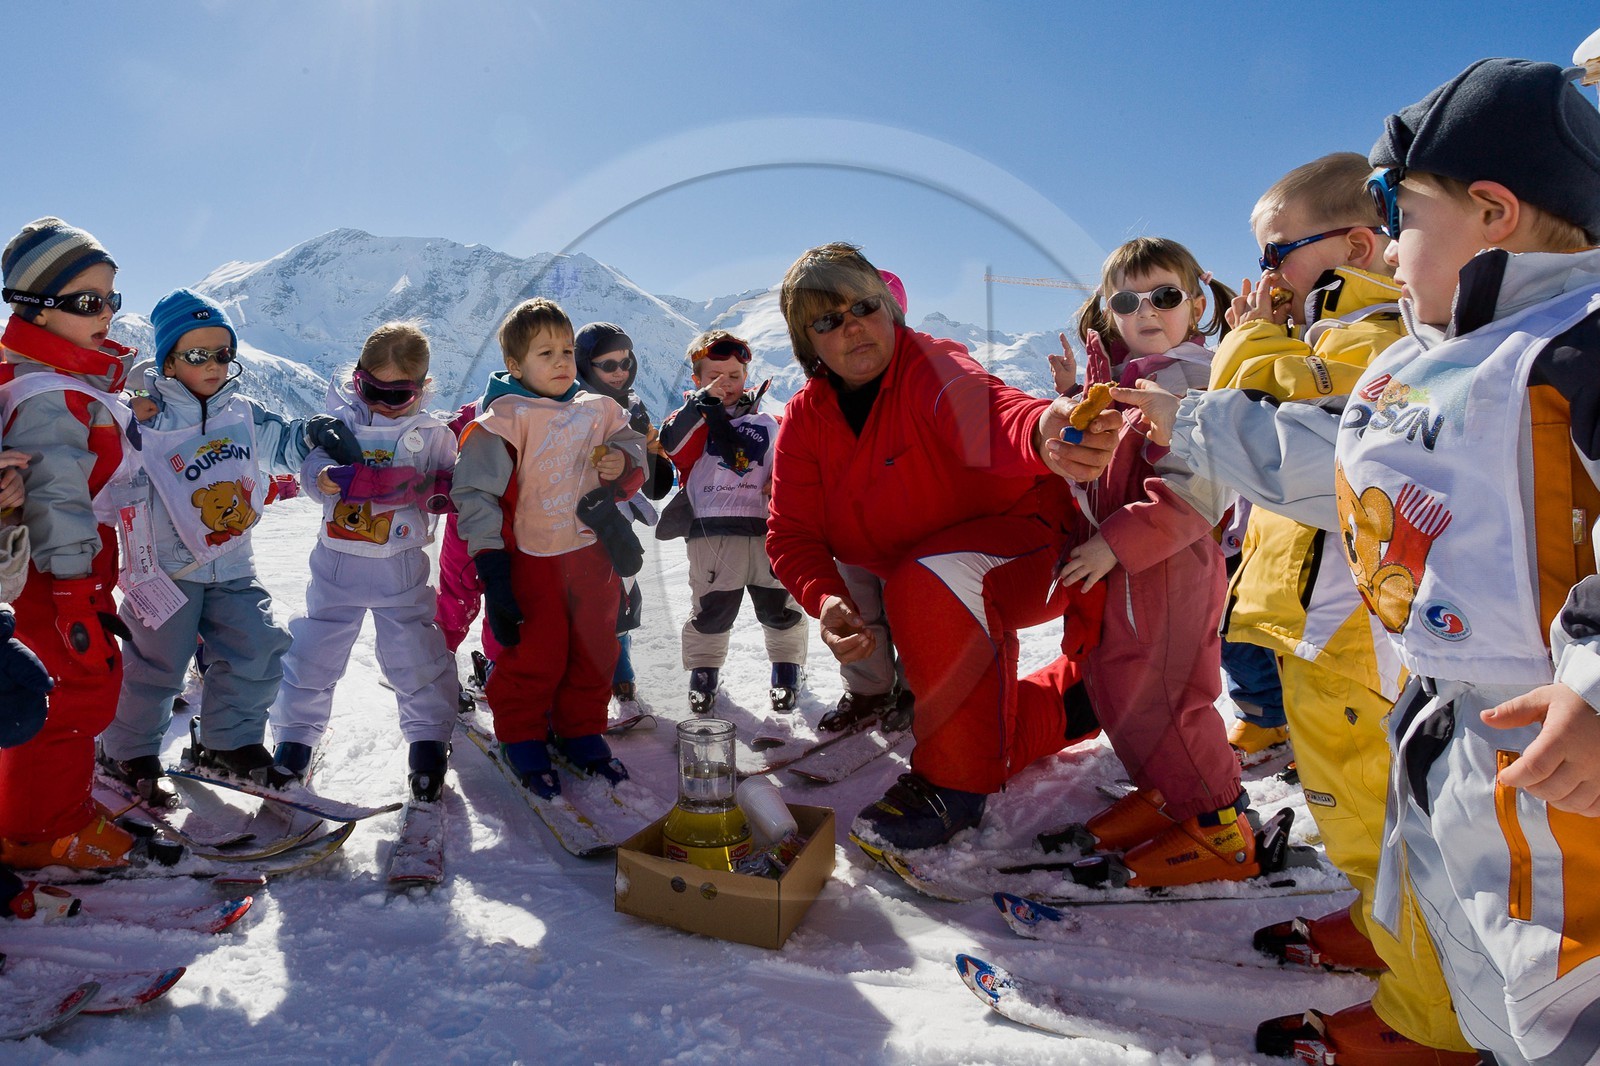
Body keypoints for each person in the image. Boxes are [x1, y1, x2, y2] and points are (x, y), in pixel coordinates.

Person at [1118, 59, 1600, 1065]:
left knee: (1568, 984)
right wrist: (1181, 418)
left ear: (1494, 212)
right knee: (1479, 963)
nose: (1381, 240)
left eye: (1396, 208)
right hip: (1440, 727)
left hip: (1555, 747)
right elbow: (1321, 458)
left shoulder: (1571, 347)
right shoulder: (1419, 364)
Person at [1200, 152, 1475, 1062]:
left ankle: (1431, 1024)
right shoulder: (1323, 328)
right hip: (1315, 631)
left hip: (1355, 636)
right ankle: (1379, 926)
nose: (1264, 279)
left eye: (1279, 254)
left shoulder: (1372, 328)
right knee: (1352, 813)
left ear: (1358, 244)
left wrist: (1247, 340)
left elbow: (1288, 427)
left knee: (1385, 824)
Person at [767, 242, 1118, 852]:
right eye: (828, 320)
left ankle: (951, 788)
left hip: (1033, 548)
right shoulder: (805, 422)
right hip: (947, 577)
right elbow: (791, 535)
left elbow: (988, 408)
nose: (852, 326)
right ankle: (1079, 699)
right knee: (985, 736)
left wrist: (1044, 432)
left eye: (865, 306)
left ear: (891, 311)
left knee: (923, 582)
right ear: (809, 344)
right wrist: (825, 600)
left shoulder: (927, 364)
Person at [97, 290, 361, 803]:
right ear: (169, 358)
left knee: (258, 647)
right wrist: (124, 412)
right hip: (165, 570)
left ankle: (228, 743)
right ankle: (125, 749)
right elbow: (105, 452)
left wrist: (312, 435)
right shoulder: (146, 415)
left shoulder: (241, 410)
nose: (215, 366)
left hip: (233, 563)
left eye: (223, 354)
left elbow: (279, 444)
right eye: (198, 355)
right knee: (157, 665)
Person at [1050, 238, 1256, 888]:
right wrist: (1075, 408)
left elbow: (1204, 487)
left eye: (1164, 296)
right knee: (1123, 694)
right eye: (1127, 299)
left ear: (1195, 303)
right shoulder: (1123, 379)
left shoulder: (1196, 376)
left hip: (1170, 573)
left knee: (1169, 701)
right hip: (1129, 581)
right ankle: (1171, 792)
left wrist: (1118, 541)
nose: (1146, 310)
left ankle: (1221, 823)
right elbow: (1100, 476)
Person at [452, 298, 646, 799]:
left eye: (566, 350)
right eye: (545, 354)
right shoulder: (504, 420)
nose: (562, 362)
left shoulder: (596, 408)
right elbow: (475, 495)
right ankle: (521, 735)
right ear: (515, 365)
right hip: (530, 561)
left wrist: (620, 462)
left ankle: (580, 729)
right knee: (535, 652)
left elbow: (633, 443)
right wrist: (492, 568)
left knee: (595, 647)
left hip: (590, 556)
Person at [266, 322, 457, 803]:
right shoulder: (342, 425)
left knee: (414, 653)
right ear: (357, 381)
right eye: (371, 390)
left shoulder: (431, 434)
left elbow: (452, 484)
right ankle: (295, 739)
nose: (382, 404)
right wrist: (322, 479)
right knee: (313, 653)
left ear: (422, 390)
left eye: (398, 396)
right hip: (337, 564)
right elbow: (310, 467)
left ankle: (427, 742)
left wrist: (430, 490)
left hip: (401, 566)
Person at [0, 218, 140, 869]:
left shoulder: (53, 377)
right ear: (36, 309)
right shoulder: (50, 394)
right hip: (54, 579)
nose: (107, 313)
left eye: (112, 298)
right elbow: (58, 496)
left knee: (54, 698)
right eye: (88, 303)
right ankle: (46, 831)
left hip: (45, 576)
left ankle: (49, 810)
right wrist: (77, 595)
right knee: (73, 699)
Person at [657, 330, 807, 716]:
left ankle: (787, 670)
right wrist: (700, 408)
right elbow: (674, 447)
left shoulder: (770, 421)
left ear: (748, 377)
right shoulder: (688, 421)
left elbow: (791, 465)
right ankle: (704, 674)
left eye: (734, 376)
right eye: (713, 376)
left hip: (766, 534)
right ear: (696, 380)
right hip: (712, 535)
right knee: (711, 611)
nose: (725, 384)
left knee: (780, 607)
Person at [574, 321, 673, 706]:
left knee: (621, 591)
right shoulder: (570, 404)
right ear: (586, 366)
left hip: (618, 519)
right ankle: (582, 680)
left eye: (625, 362)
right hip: (573, 519)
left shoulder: (632, 406)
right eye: (608, 364)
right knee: (579, 598)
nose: (619, 372)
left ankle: (621, 673)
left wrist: (647, 452)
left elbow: (656, 479)